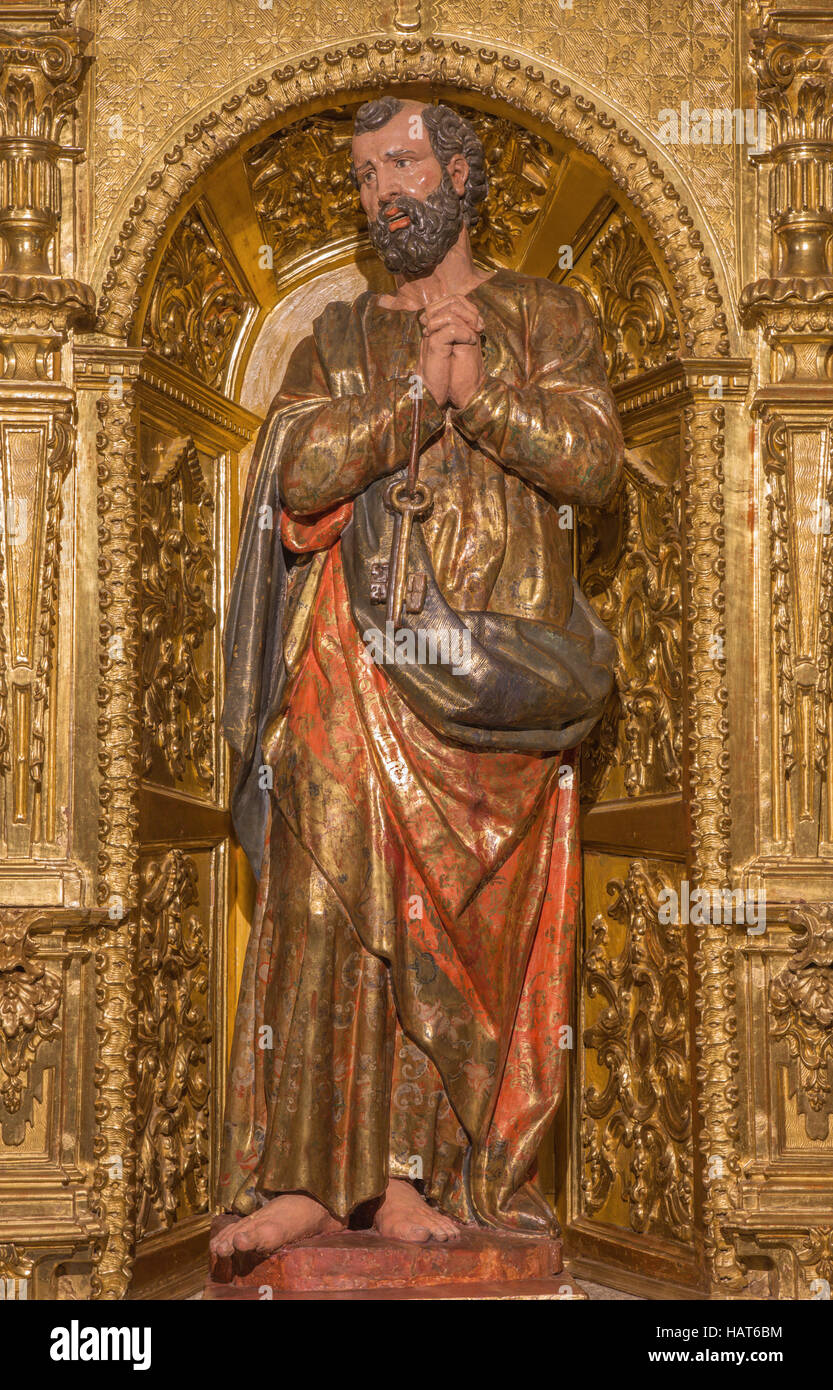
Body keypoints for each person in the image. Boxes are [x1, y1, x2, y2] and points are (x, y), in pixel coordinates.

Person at [211, 96, 623, 1259]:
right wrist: (409, 403)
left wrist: (479, 394)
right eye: (361, 175)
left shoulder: (547, 317)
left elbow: (594, 467)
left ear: (456, 172)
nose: (380, 192)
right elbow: (291, 475)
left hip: (491, 694)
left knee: (457, 942)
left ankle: (412, 1179)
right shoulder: (335, 337)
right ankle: (302, 1175)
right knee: (320, 906)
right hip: (350, 668)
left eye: (399, 164)